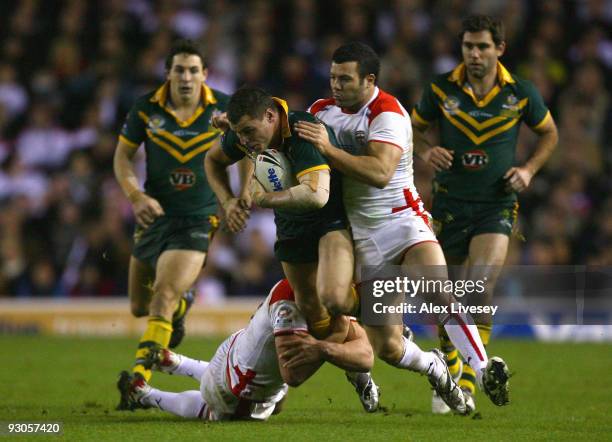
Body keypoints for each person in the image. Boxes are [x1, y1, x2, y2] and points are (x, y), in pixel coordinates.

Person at [296, 41, 506, 415]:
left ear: (369, 80)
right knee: (388, 347)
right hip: (358, 236)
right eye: (332, 77)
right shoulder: (320, 112)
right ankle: (435, 364)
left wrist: (328, 150)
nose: (336, 85)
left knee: (439, 292)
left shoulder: (387, 113)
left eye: (345, 79)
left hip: (402, 220)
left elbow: (379, 173)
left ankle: (484, 367)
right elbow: (283, 129)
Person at [410, 15, 558, 413]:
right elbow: (413, 127)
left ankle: (469, 381)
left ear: (500, 49)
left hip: (496, 204)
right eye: (468, 47)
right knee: (443, 297)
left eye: (482, 47)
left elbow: (549, 133)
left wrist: (528, 169)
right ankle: (450, 363)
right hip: (448, 205)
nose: (474, 54)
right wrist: (426, 150)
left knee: (479, 285)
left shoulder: (521, 93)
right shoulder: (441, 89)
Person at [204, 86, 380, 412]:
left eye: (248, 132)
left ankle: (386, 324)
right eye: (239, 133)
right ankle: (357, 363)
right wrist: (228, 200)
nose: (243, 141)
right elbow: (212, 161)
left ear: (270, 117)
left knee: (334, 298)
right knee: (315, 311)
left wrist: (264, 198)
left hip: (330, 222)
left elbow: (316, 196)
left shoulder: (301, 131)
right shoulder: (244, 135)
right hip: (291, 229)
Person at [113, 39, 231, 390]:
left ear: (205, 74)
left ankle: (139, 382)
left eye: (193, 70)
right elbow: (121, 158)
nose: (186, 76)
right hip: (155, 216)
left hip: (197, 218)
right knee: (139, 306)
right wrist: (136, 197)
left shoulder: (223, 108)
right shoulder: (146, 108)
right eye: (179, 69)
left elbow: (248, 151)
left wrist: (236, 198)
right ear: (167, 74)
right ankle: (182, 307)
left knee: (163, 294)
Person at [117, 278, 374, 420]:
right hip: (241, 387)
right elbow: (293, 376)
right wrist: (329, 345)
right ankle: (144, 393)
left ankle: (175, 362)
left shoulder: (320, 287)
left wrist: (330, 343)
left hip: (236, 351)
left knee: (278, 402)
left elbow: (365, 356)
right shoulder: (289, 305)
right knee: (214, 413)